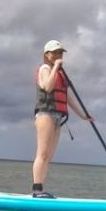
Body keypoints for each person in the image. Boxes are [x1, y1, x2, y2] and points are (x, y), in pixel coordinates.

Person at [31, 40, 93, 198]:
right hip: (46, 113)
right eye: (55, 52)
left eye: (60, 52)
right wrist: (56, 68)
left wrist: (83, 116)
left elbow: (68, 99)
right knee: (43, 154)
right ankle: (37, 190)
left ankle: (41, 189)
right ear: (47, 55)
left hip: (58, 117)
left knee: (49, 156)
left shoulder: (59, 74)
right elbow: (47, 87)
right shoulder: (45, 68)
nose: (58, 55)